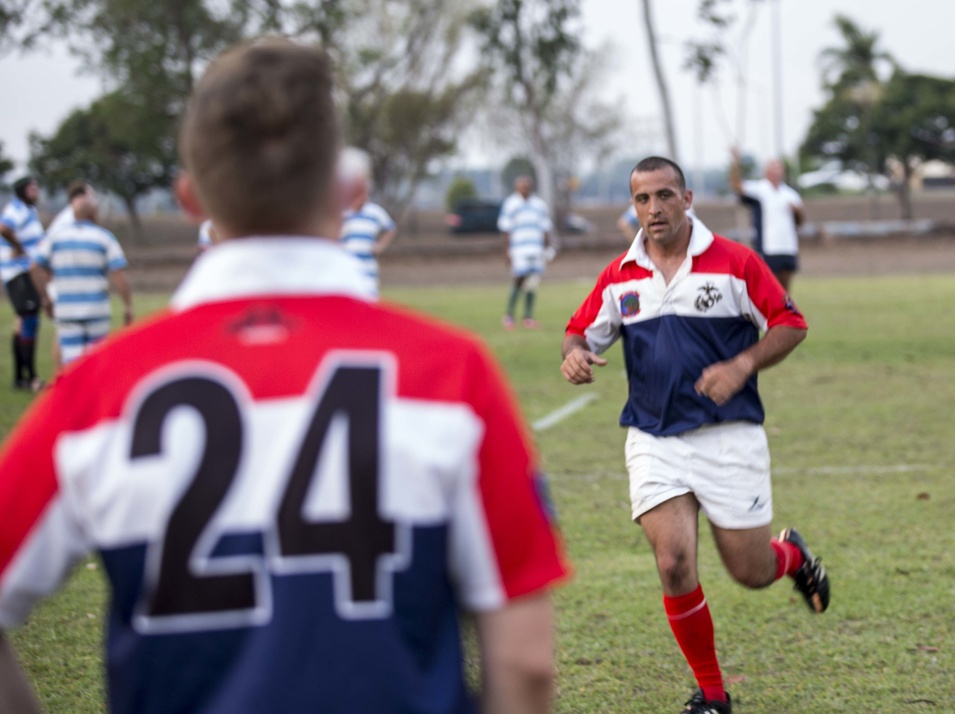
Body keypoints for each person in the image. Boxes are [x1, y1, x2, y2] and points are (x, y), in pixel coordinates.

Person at [0, 39, 569, 714]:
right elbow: (527, 663)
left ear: (190, 200)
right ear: (349, 188)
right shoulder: (451, 372)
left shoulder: (97, 388)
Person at [560, 156, 828, 714]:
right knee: (674, 563)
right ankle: (711, 696)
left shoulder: (734, 262)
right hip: (654, 437)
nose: (653, 209)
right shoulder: (620, 275)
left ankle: (791, 557)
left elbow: (790, 324)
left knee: (749, 572)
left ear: (687, 199)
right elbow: (578, 331)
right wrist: (576, 355)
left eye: (664, 196)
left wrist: (742, 365)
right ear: (632, 207)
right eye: (642, 200)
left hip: (728, 437)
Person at [31, 181, 133, 366]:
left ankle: (71, 392)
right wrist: (127, 305)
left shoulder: (56, 236)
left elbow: (35, 266)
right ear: (94, 215)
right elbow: (117, 272)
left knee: (72, 364)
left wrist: (46, 298)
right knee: (97, 360)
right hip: (96, 308)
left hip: (67, 308)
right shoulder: (104, 237)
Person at [729, 148, 805, 292]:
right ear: (767, 171)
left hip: (788, 247)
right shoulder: (760, 190)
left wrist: (797, 211)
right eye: (774, 167)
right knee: (770, 289)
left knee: (785, 292)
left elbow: (800, 222)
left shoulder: (790, 194)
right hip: (769, 247)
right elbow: (736, 186)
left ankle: (785, 315)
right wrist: (736, 163)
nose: (778, 171)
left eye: (780, 167)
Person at [0, 175, 46, 391]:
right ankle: (32, 377)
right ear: (21, 192)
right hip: (17, 271)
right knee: (29, 319)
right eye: (32, 189)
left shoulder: (29, 211)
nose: (36, 192)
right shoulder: (15, 209)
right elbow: (4, 228)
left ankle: (20, 379)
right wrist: (17, 248)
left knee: (23, 322)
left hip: (26, 271)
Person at [338, 147, 396, 296]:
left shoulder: (374, 212)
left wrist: (380, 246)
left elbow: (390, 228)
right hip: (345, 268)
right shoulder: (342, 212)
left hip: (368, 269)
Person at [498, 175, 552, 329]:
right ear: (517, 187)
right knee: (518, 279)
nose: (524, 189)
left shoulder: (539, 204)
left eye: (527, 186)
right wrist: (506, 251)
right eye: (521, 186)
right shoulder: (511, 204)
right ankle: (509, 315)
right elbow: (505, 229)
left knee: (532, 283)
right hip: (518, 249)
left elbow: (545, 228)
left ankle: (528, 317)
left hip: (535, 248)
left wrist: (547, 248)